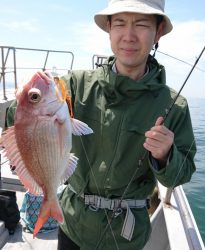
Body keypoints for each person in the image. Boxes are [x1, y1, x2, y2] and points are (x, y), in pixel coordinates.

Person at [57, 0, 196, 249]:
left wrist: (165, 156)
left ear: (158, 31)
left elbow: (182, 173)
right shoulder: (75, 86)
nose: (129, 36)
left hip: (126, 238)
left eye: (141, 24)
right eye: (120, 23)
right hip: (72, 225)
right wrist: (30, 101)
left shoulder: (175, 106)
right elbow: (16, 119)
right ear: (109, 28)